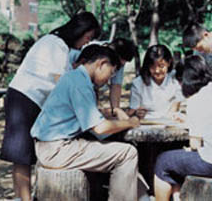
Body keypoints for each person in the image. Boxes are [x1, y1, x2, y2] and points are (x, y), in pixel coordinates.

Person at [0, 11, 100, 201]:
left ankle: (30, 196)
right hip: (24, 98)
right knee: (22, 156)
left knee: (29, 154)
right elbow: (62, 83)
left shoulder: (61, 46)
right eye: (88, 37)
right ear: (80, 31)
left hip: (34, 100)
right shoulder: (54, 44)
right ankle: (24, 198)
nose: (86, 43)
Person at [30, 45, 140, 201]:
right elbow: (100, 128)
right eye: (110, 74)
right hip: (57, 150)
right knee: (127, 153)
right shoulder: (80, 83)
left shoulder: (74, 77)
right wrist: (130, 122)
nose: (108, 80)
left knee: (112, 145)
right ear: (101, 64)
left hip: (49, 146)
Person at [153, 55, 212, 201]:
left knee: (163, 161)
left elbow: (194, 144)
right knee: (177, 161)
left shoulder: (196, 99)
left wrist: (190, 146)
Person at [72, 37, 139, 115]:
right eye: (111, 71)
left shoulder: (119, 61)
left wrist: (116, 111)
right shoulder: (91, 50)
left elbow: (116, 86)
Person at [128, 44, 184, 119]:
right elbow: (133, 110)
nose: (157, 71)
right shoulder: (138, 83)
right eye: (152, 66)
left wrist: (171, 115)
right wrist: (137, 112)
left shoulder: (175, 78)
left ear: (169, 62)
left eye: (161, 66)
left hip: (170, 121)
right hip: (146, 123)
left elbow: (177, 102)